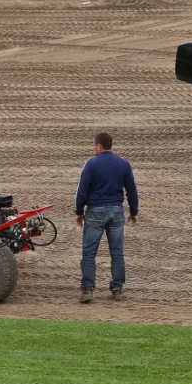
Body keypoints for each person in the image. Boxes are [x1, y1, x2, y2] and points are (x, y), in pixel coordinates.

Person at [75, 130, 138, 304]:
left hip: (95, 211)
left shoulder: (91, 164)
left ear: (98, 146)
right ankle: (117, 289)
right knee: (117, 252)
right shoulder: (123, 164)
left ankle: (88, 290)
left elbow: (82, 192)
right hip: (116, 212)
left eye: (94, 145)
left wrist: (79, 212)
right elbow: (131, 190)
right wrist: (134, 211)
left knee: (89, 253)